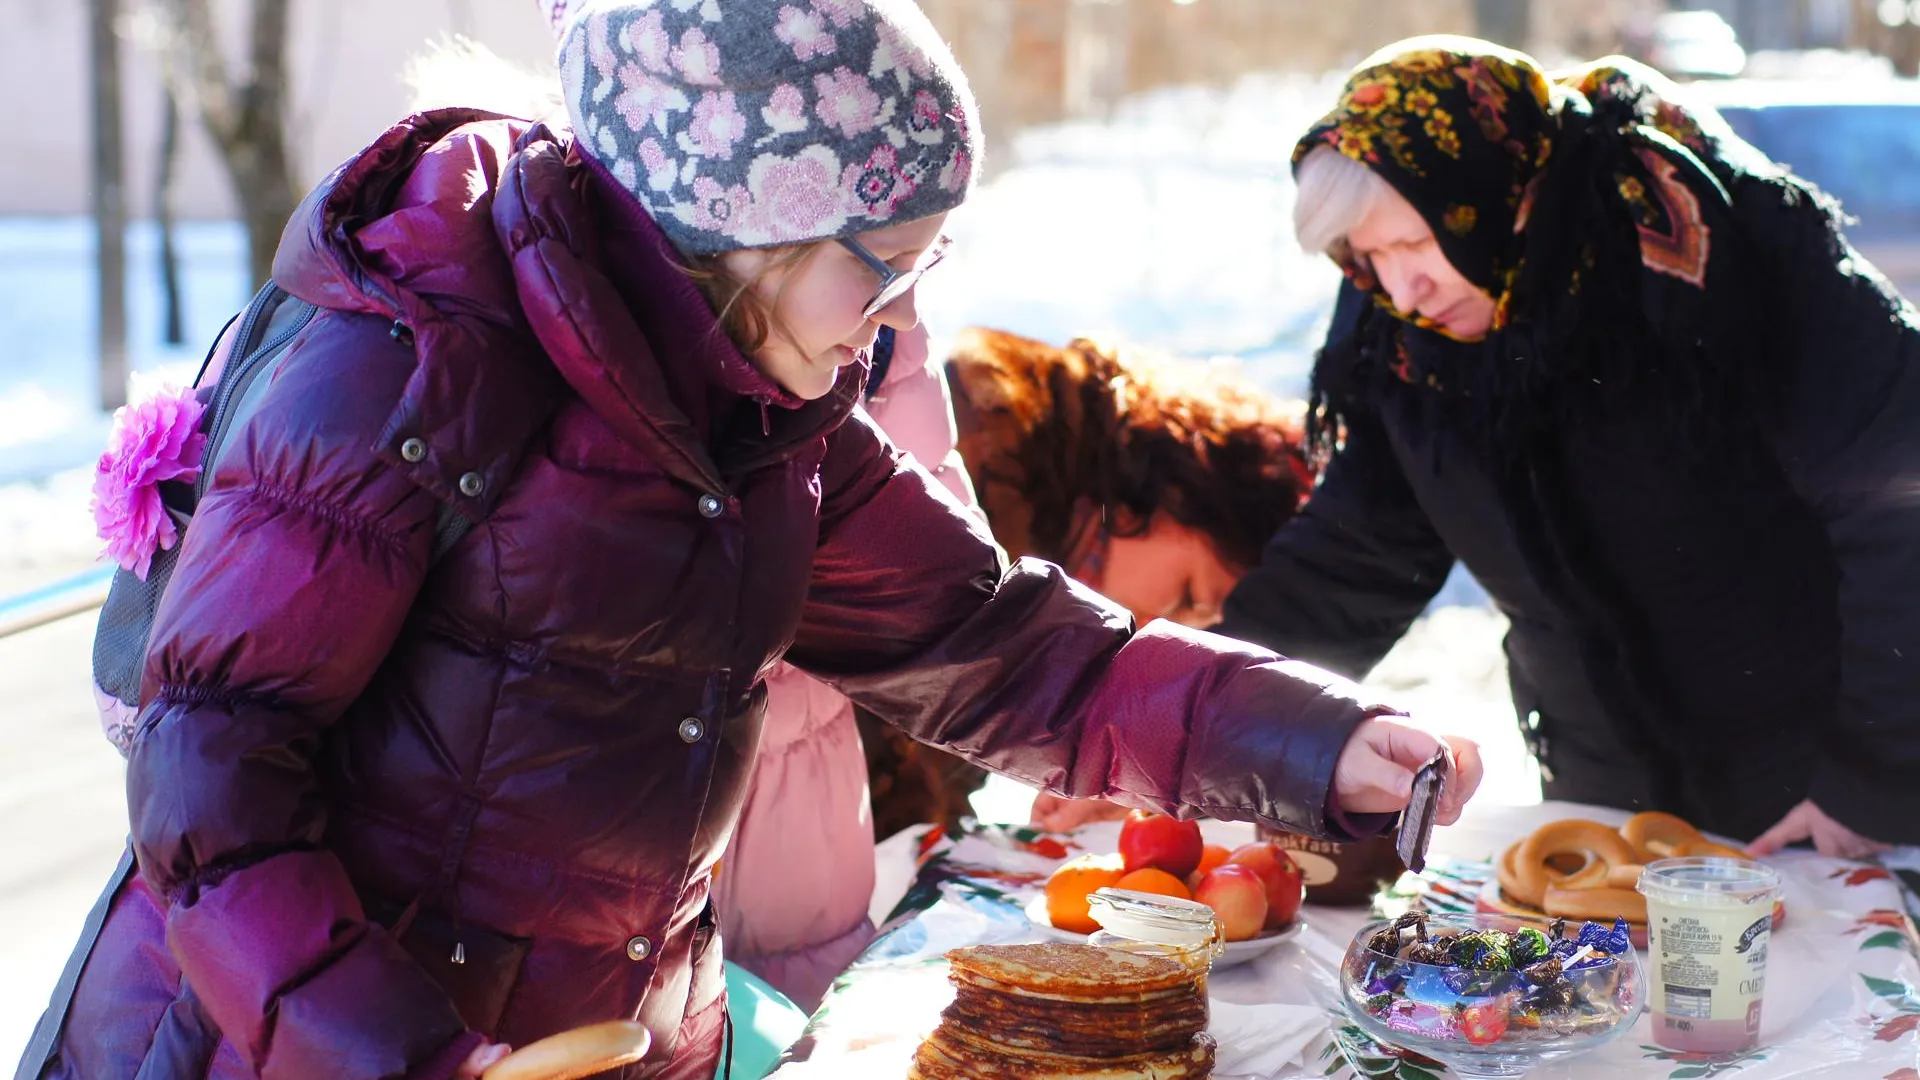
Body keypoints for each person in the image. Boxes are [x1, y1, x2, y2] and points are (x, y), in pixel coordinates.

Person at [21, 7, 1483, 1080]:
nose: (902, 313)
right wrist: (408, 1057)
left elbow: (1011, 651)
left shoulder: (771, 426)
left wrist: (1322, 743)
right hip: (272, 1050)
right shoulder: (412, 362)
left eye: (928, 261)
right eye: (883, 261)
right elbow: (211, 776)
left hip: (599, 1042)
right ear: (745, 231)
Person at [1216, 35, 1920, 859]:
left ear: (1487, 196)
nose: (1401, 287)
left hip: (1828, 783)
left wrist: (1869, 785)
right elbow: (1350, 560)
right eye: (1366, 257)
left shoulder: (1720, 266)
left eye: (1413, 244)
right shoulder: (1408, 341)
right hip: (1604, 791)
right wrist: (1204, 732)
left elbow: (1899, 515)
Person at [941, 327, 1317, 832]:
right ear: (1182, 492)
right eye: (1186, 596)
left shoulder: (1041, 523)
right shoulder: (977, 468)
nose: (1164, 628)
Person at [713, 321, 980, 1014]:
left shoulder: (882, 332)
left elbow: (951, 602)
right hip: (643, 813)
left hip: (804, 800)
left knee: (794, 1022)